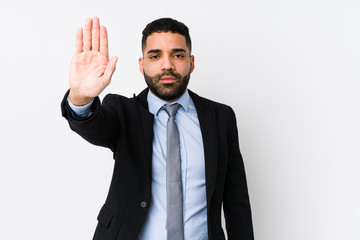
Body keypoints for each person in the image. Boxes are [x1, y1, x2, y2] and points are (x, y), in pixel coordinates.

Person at [61, 16, 254, 240]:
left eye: (178, 55)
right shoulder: (123, 112)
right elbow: (93, 126)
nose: (167, 65)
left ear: (192, 62)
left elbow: (236, 201)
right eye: (155, 56)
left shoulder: (221, 117)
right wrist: (81, 95)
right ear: (142, 65)